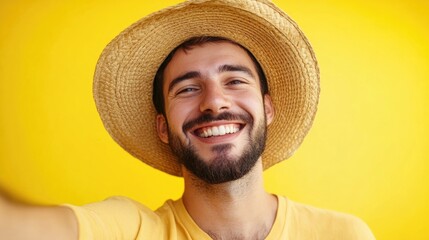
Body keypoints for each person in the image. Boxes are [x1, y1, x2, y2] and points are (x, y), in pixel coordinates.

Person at [0, 0, 375, 239]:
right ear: (162, 127)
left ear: (269, 107)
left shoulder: (342, 234)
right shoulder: (130, 230)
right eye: (187, 89)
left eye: (234, 81)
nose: (214, 103)